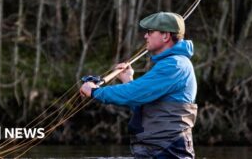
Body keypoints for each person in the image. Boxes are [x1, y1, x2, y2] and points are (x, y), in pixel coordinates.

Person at [80, 12, 198, 158]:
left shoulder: (175, 65)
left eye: (150, 32)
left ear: (165, 36)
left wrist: (94, 92)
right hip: (155, 150)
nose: (145, 36)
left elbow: (134, 93)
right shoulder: (171, 64)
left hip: (167, 151)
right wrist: (127, 80)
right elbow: (145, 106)